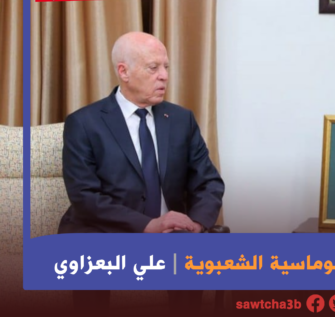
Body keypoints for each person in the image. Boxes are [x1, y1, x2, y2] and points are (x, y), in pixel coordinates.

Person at [59, 31, 224, 315]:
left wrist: (196, 223)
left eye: (166, 67)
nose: (164, 76)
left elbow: (208, 182)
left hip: (173, 233)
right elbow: (85, 197)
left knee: (190, 253)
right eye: (153, 68)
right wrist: (148, 225)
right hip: (105, 231)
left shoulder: (181, 119)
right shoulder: (84, 123)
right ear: (124, 71)